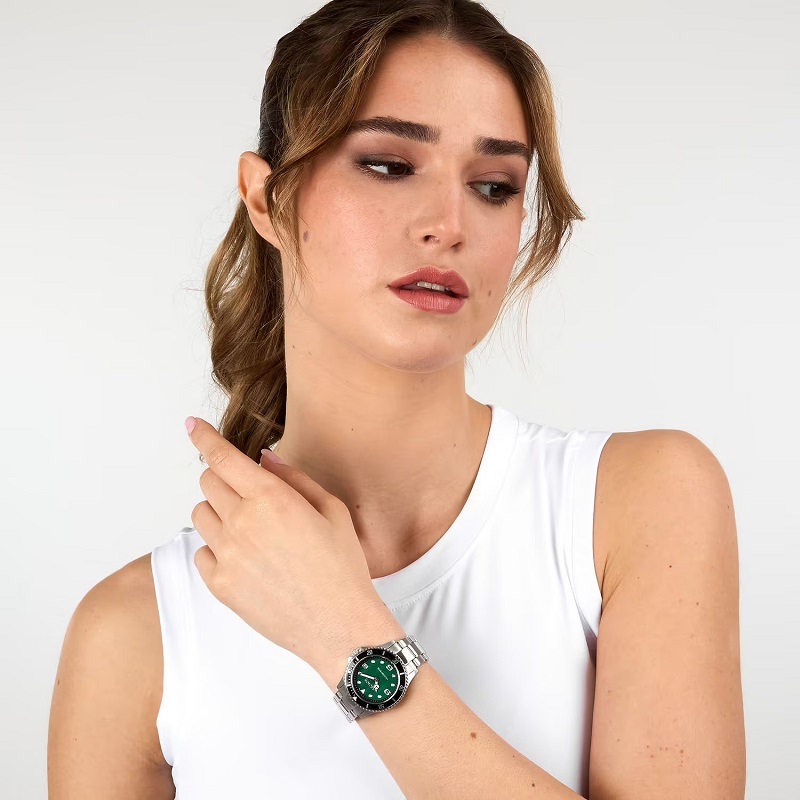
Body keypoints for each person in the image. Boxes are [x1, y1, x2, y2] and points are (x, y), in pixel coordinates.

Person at [47, 1, 746, 798]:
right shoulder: (135, 634)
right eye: (388, 165)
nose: (449, 224)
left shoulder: (636, 505)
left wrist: (344, 632)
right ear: (266, 198)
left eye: (493, 186)